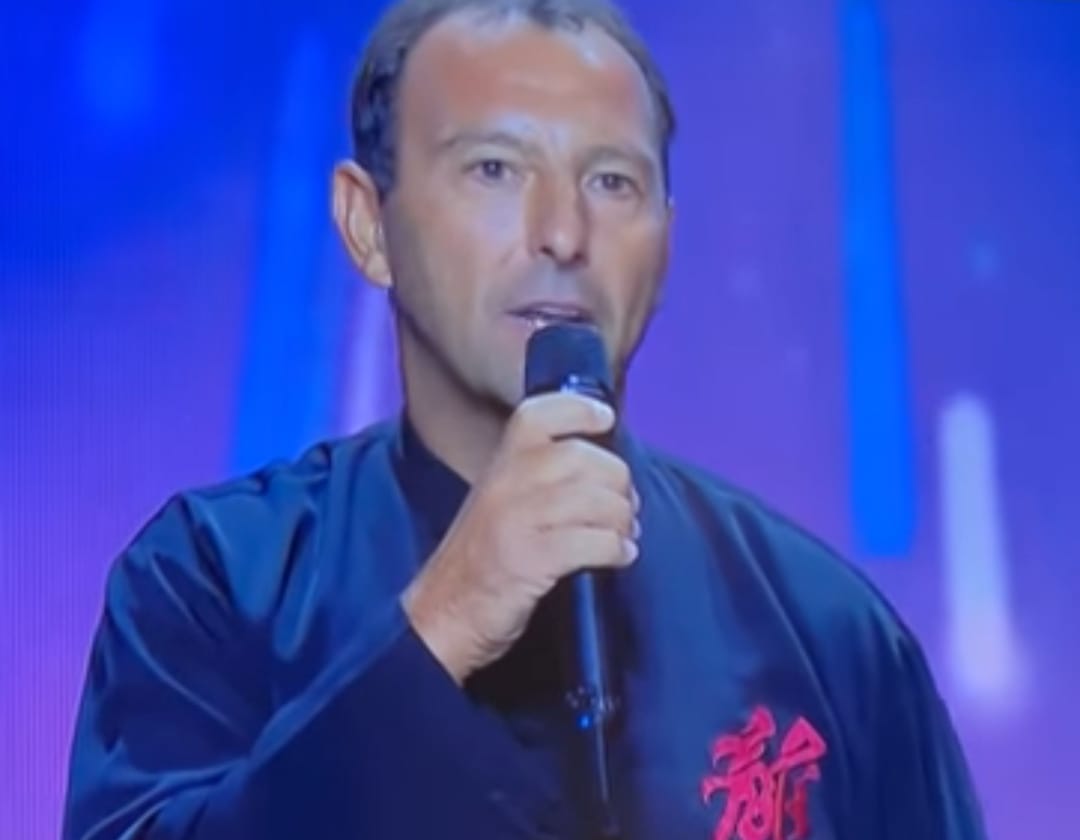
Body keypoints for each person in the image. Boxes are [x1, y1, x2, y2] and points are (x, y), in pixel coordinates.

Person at [62, 0, 988, 838]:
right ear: (368, 223)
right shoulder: (218, 581)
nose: (563, 233)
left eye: (612, 182)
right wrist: (441, 628)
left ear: (667, 241)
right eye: (496, 170)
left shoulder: (827, 633)